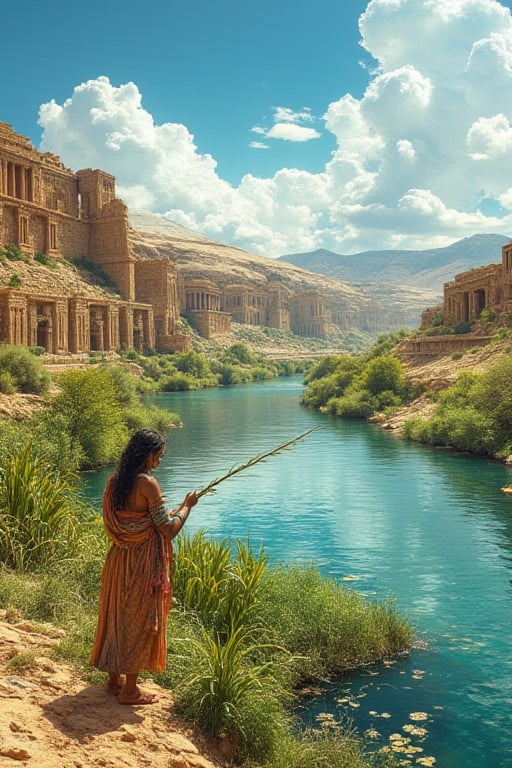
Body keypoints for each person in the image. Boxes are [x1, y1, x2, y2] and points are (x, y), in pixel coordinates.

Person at [90, 428, 198, 705]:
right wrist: (187, 507)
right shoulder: (148, 484)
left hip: (119, 558)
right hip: (142, 563)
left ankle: (113, 680)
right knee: (138, 620)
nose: (160, 461)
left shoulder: (114, 483)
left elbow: (133, 520)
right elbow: (168, 529)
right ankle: (130, 691)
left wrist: (166, 513)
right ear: (148, 455)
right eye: (159, 456)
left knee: (117, 615)